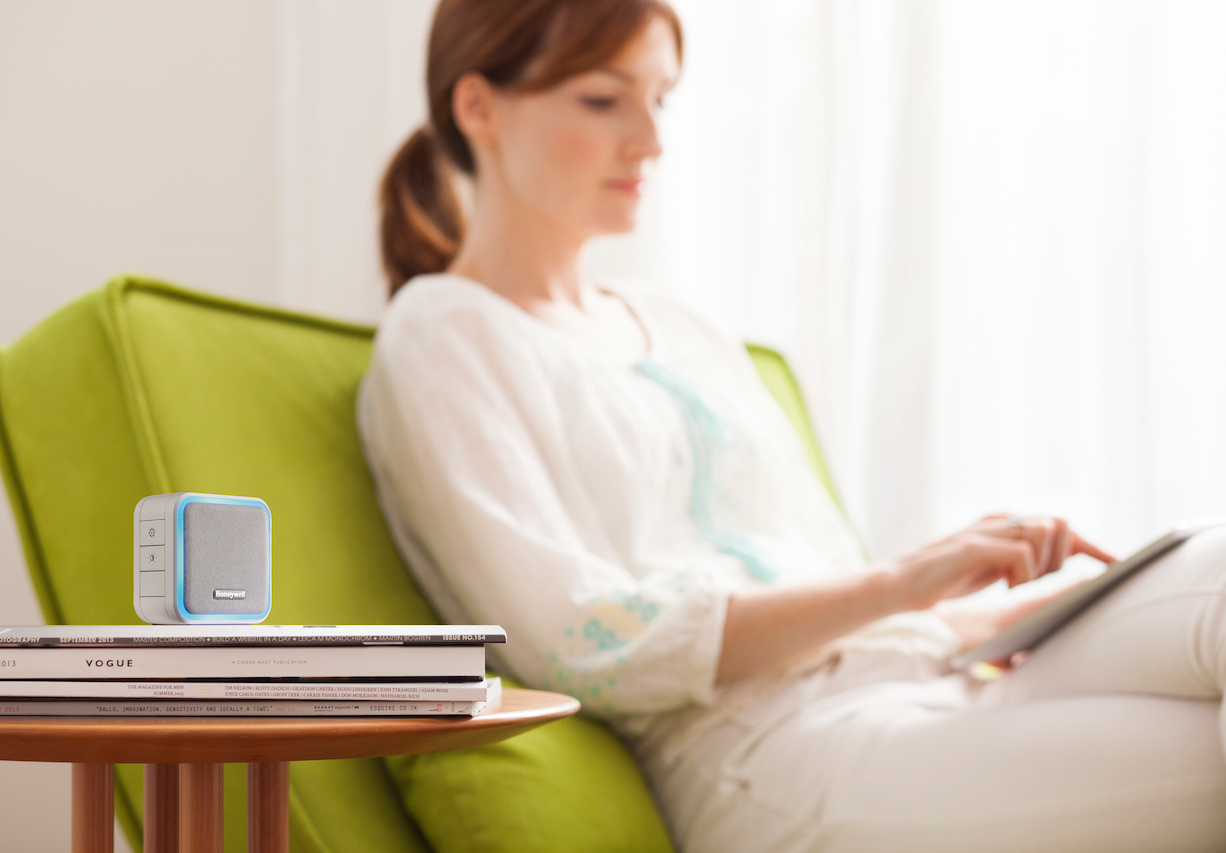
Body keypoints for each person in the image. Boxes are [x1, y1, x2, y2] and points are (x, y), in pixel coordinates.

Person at [358, 1, 1226, 849]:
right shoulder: (444, 331)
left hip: (924, 673)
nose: (651, 139)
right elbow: (582, 639)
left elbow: (826, 580)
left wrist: (1036, 611)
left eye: (660, 99)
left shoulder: (685, 327)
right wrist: (910, 577)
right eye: (603, 99)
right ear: (478, 107)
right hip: (767, 752)